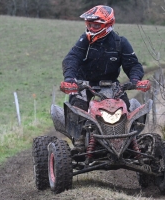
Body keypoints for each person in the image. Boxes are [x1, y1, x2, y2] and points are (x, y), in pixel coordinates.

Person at [61, 5, 144, 152]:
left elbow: (134, 65)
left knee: (126, 108)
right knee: (78, 105)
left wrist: (135, 80)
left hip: (110, 84)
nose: (92, 28)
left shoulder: (120, 42)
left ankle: (130, 139)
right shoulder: (85, 40)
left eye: (96, 25)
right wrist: (70, 79)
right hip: (84, 83)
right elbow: (72, 58)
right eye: (90, 24)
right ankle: (80, 139)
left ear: (108, 25)